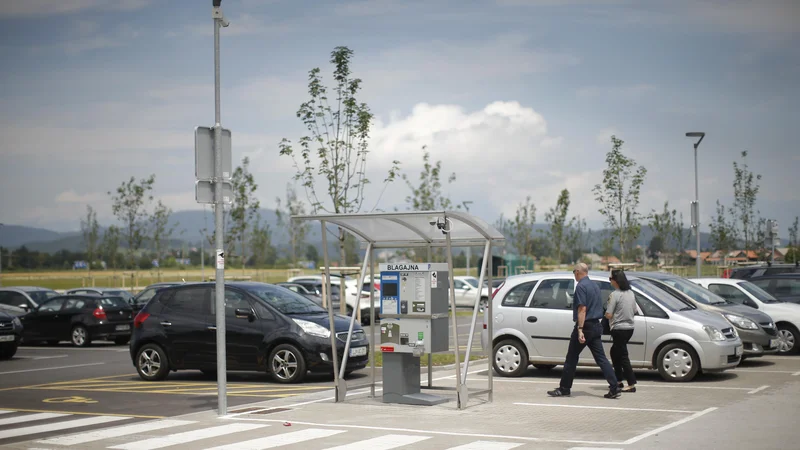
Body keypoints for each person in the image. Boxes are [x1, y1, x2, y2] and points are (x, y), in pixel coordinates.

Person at [548, 263, 620, 399]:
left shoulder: (581, 286)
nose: (574, 274)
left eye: (574, 271)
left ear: (579, 272)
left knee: (571, 358)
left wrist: (580, 329)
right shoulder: (595, 286)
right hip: (596, 326)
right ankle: (614, 386)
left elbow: (582, 309)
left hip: (585, 326)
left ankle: (564, 388)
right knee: (602, 359)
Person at [606, 269, 637, 393]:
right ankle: (618, 380)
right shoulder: (631, 293)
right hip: (630, 328)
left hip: (618, 329)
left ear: (615, 281)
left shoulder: (615, 294)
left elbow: (608, 314)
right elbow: (634, 310)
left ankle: (631, 383)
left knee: (623, 356)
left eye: (610, 279)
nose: (610, 281)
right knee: (615, 352)